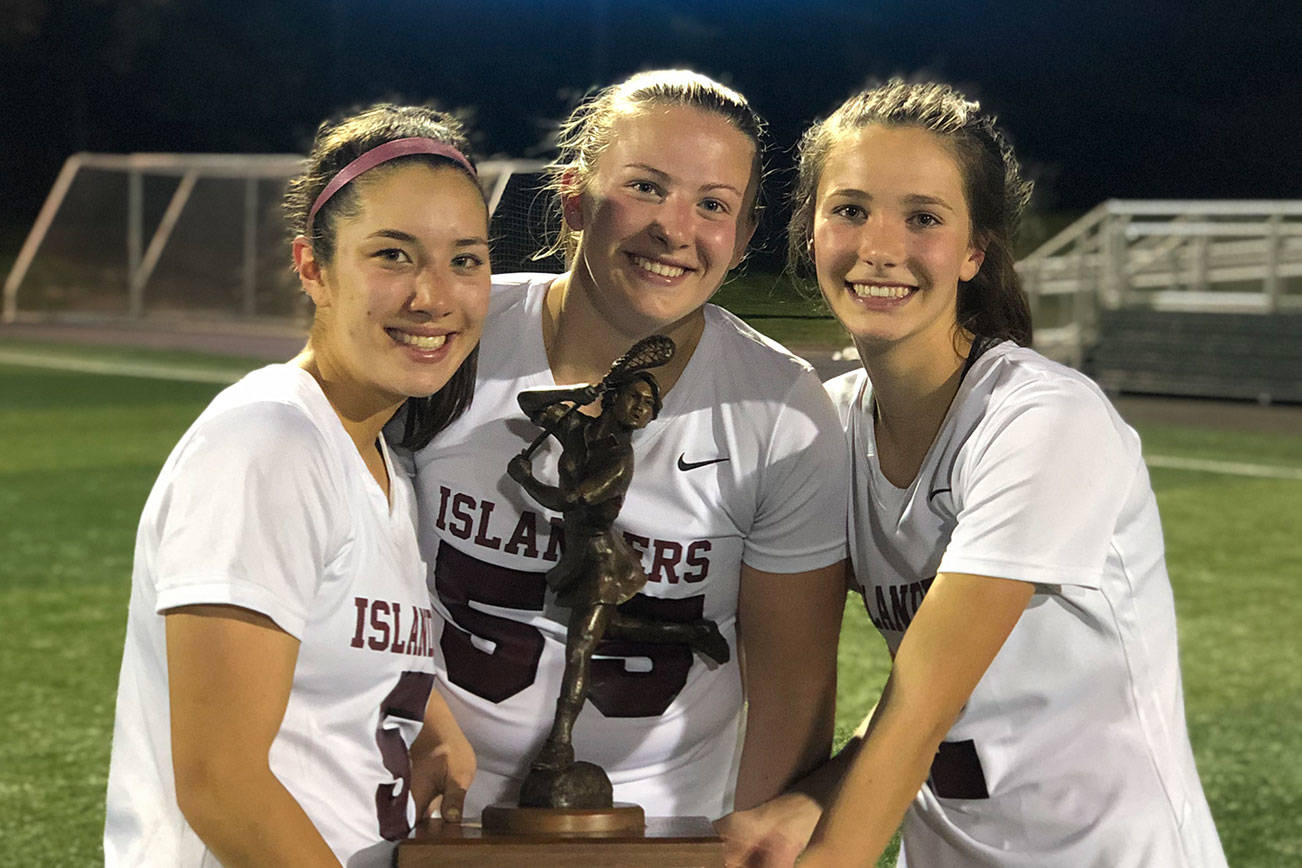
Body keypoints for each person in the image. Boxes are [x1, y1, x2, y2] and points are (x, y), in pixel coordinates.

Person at [725, 80, 1228, 867]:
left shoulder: (1043, 420)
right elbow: (932, 709)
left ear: (973, 251)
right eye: (850, 209)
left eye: (922, 218)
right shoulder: (824, 425)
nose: (879, 246)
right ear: (811, 230)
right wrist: (810, 800)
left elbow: (925, 704)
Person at [405, 69, 849, 822]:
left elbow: (791, 693)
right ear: (575, 198)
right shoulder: (454, 335)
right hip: (425, 812)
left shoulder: (781, 411)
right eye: (646, 187)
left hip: (662, 828)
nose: (675, 229)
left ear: (741, 240)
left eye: (713, 205)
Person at [103, 104, 490, 867]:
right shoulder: (269, 443)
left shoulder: (376, 458)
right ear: (312, 266)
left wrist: (431, 717)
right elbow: (222, 783)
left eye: (465, 259)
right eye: (392, 255)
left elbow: (331, 644)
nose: (433, 296)